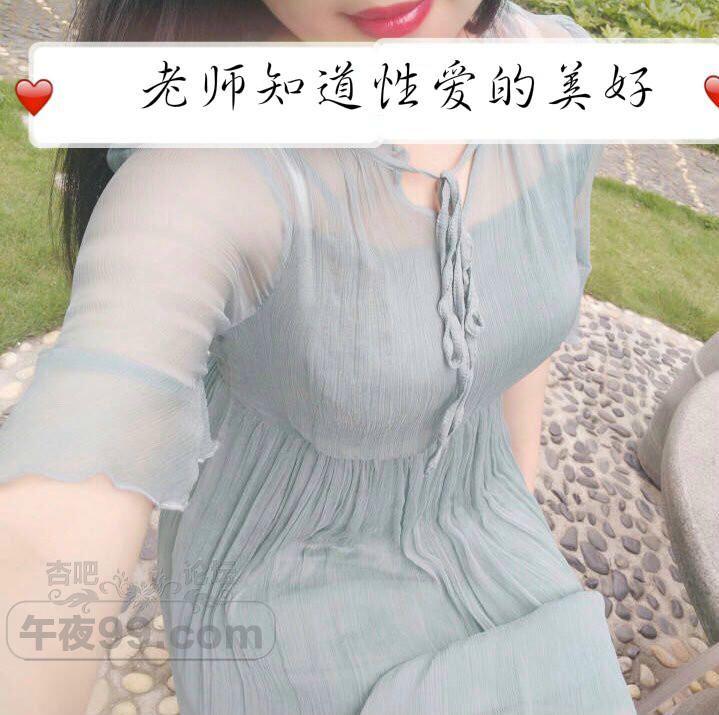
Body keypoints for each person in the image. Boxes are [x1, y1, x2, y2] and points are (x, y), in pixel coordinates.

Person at [0, 1, 636, 713]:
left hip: (489, 513)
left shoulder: (559, 76)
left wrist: (520, 481)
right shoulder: (211, 158)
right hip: (282, 569)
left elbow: (519, 318)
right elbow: (52, 516)